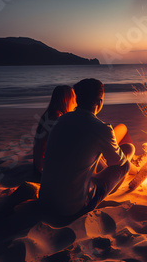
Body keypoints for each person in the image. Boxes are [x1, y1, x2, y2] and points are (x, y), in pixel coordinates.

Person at [39, 78, 135, 217]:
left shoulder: (61, 120)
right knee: (126, 160)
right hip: (71, 207)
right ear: (99, 101)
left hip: (45, 201)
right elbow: (117, 163)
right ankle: (117, 184)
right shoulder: (102, 128)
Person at [33, 85, 76, 178]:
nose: (75, 103)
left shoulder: (49, 115)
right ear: (67, 100)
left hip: (40, 165)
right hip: (45, 169)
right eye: (73, 98)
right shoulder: (57, 119)